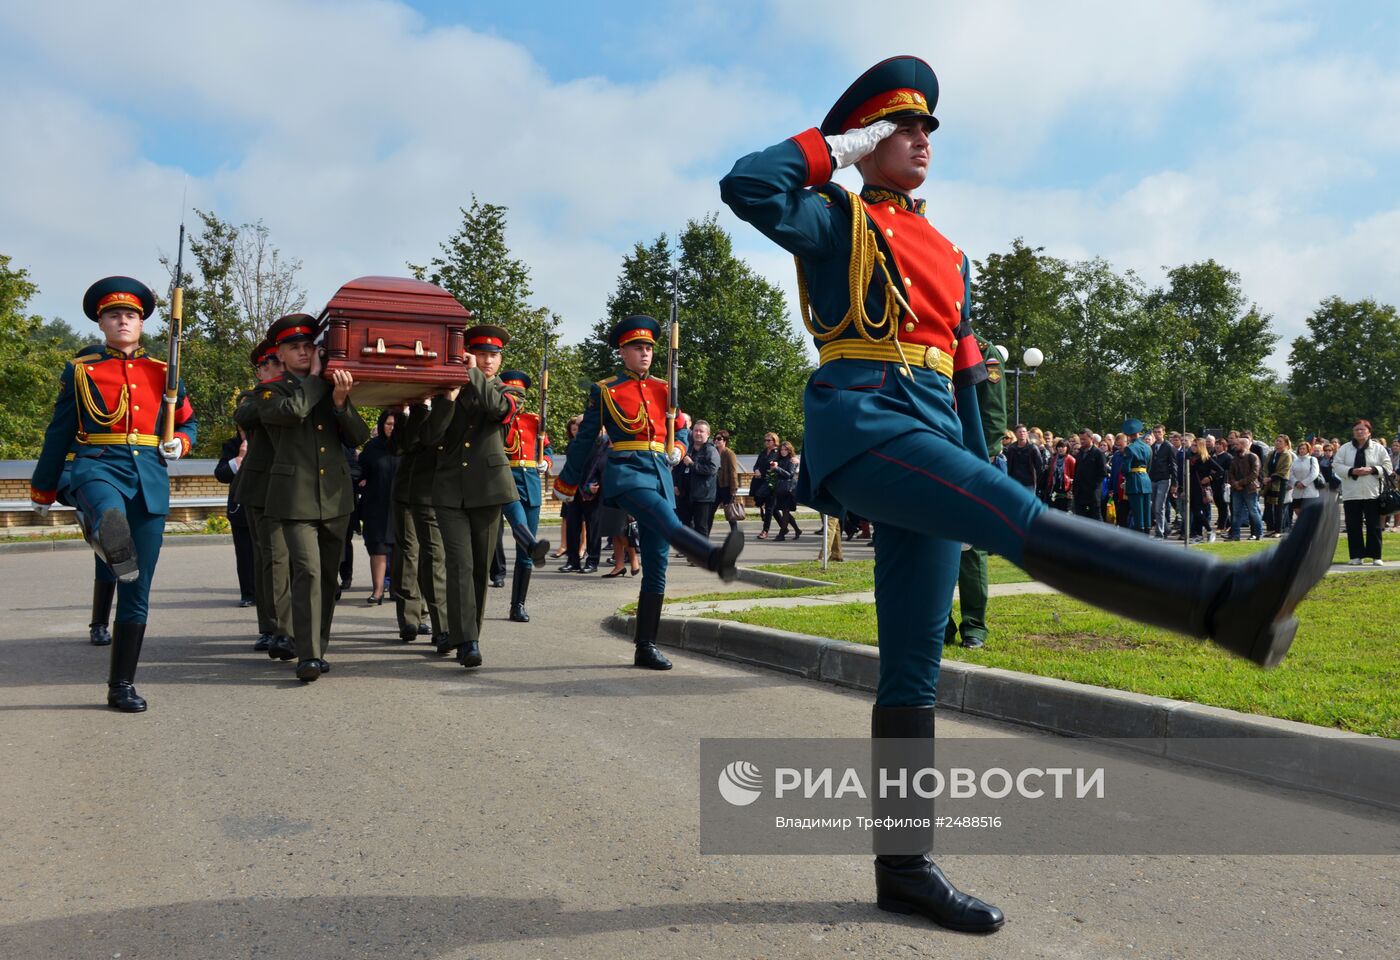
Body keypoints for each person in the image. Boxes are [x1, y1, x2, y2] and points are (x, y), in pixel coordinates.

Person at [720, 53, 1339, 934]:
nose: (921, 139)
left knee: (913, 669)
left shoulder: (949, 251)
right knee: (1027, 523)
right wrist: (839, 147)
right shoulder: (834, 218)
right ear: (864, 137)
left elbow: (965, 376)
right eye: (902, 125)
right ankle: (1223, 600)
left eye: (929, 127)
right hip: (866, 423)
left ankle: (903, 866)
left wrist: (979, 469)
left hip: (931, 432)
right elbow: (746, 185)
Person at [29, 277, 198, 711]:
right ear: (101, 323)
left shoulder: (164, 372)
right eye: (114, 315)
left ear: (141, 324)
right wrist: (44, 486)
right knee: (108, 511)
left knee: (136, 588)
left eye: (131, 315)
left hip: (149, 477)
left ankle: (120, 684)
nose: (123, 320)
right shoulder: (82, 370)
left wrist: (181, 442)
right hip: (98, 464)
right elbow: (59, 431)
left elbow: (187, 423)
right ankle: (107, 530)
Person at [552, 315, 743, 669]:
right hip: (627, 473)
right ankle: (714, 558)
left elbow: (682, 429)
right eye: (638, 347)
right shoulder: (605, 390)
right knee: (668, 520)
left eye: (649, 348)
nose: (645, 353)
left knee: (657, 564)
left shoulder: (664, 389)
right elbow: (584, 441)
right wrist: (567, 481)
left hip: (659, 473)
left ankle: (645, 646)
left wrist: (680, 449)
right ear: (622, 351)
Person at [250, 314, 368, 682]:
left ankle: (318, 646)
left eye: (308, 346)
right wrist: (318, 379)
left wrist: (341, 401)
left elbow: (358, 436)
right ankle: (308, 654)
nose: (303, 352)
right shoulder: (271, 391)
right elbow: (293, 411)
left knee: (328, 579)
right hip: (294, 498)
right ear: (280, 356)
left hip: (335, 498)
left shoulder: (328, 388)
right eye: (294, 348)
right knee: (308, 571)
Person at [419, 325, 523, 667]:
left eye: (493, 355)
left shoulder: (508, 389)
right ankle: (468, 641)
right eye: (480, 354)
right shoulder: (446, 388)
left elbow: (497, 409)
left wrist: (472, 373)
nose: (487, 360)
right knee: (459, 564)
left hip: (489, 489)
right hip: (449, 489)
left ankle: (467, 631)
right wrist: (447, 401)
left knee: (479, 567)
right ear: (468, 353)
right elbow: (430, 436)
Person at [232, 340, 293, 655]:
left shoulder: (299, 390)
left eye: (276, 362)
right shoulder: (254, 398)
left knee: (283, 560)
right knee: (269, 559)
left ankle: (285, 626)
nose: (273, 369)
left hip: (295, 486)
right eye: (267, 365)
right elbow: (247, 415)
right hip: (262, 488)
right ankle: (272, 628)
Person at [498, 369, 553, 622]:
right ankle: (531, 546)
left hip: (530, 483)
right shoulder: (497, 419)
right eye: (511, 393)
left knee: (525, 554)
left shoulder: (534, 421)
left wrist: (546, 463)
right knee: (521, 527)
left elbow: (548, 450)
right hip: (504, 481)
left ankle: (517, 605)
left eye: (520, 395)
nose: (516, 399)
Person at [1332, 419, 1392, 565]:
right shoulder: (1345, 448)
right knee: (1353, 525)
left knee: (1374, 525)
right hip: (1351, 493)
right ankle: (1356, 556)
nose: (1359, 432)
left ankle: (1376, 556)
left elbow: (1388, 467)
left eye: (1362, 429)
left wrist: (1372, 469)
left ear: (1369, 432)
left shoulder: (1378, 448)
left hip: (1372, 493)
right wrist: (1352, 470)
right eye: (1356, 430)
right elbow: (1336, 465)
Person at [357, 410, 400, 604]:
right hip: (376, 504)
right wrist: (360, 480)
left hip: (400, 505)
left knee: (401, 549)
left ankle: (398, 591)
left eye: (395, 424)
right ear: (382, 424)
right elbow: (360, 470)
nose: (392, 428)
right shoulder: (372, 447)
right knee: (378, 547)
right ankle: (378, 590)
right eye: (388, 424)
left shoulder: (407, 446)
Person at [213, 429, 256, 605]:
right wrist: (239, 458)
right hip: (241, 508)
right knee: (245, 553)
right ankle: (248, 594)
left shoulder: (270, 440)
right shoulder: (232, 445)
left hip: (267, 505)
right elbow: (221, 474)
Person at [562, 424, 606, 574]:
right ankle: (572, 561)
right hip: (574, 489)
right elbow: (569, 466)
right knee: (572, 527)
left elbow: (603, 465)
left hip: (593, 490)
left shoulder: (602, 443)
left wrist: (597, 485)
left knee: (593, 528)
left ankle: (592, 561)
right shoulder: (574, 444)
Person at [683, 419, 721, 539]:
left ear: (708, 434)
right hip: (687, 494)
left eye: (701, 431)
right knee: (686, 525)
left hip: (703, 495)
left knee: (701, 527)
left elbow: (712, 469)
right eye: (696, 430)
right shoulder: (688, 448)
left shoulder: (711, 450)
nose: (698, 433)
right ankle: (690, 550)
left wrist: (692, 464)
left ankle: (703, 553)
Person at [1226, 436, 1265, 541]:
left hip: (1250, 489)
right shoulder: (1235, 458)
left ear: (1243, 445)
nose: (1235, 446)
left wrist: (1240, 483)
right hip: (1236, 489)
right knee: (1236, 512)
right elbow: (1231, 473)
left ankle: (1258, 533)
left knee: (1253, 511)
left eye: (1237, 444)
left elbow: (1254, 473)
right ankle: (1235, 535)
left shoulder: (1253, 457)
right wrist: (1235, 484)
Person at [1186, 438, 1223, 542]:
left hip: (1200, 489)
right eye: (1192, 445)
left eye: (1195, 445)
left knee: (1198, 512)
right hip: (1190, 487)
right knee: (1194, 513)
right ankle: (1198, 534)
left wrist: (1210, 478)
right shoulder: (1190, 458)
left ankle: (1210, 530)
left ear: (1201, 447)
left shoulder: (1206, 458)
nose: (1193, 447)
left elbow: (1220, 470)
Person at [1121, 420, 1153, 533]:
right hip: (1146, 480)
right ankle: (1147, 533)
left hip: (1134, 481)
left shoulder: (1129, 448)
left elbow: (1125, 469)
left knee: (1137, 512)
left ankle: (1141, 536)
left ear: (1128, 435)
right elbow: (1149, 466)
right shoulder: (1148, 447)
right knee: (1146, 512)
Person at [1071, 427, 1107, 520]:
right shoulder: (1080, 453)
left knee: (1096, 519)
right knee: (1080, 519)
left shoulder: (1098, 453)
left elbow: (1103, 473)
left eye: (1084, 439)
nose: (1082, 441)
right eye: (1080, 439)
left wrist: (1094, 486)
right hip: (1080, 493)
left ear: (1091, 439)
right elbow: (1077, 471)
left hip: (1092, 494)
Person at [1149, 428, 1178, 539]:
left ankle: (1159, 532)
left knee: (1159, 506)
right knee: (1153, 506)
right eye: (1155, 432)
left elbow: (1174, 465)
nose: (1157, 434)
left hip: (1164, 479)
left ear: (1163, 433)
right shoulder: (1152, 447)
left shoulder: (1169, 447)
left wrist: (1175, 483)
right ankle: (1166, 528)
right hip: (1153, 478)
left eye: (1159, 432)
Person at [1264, 435, 1295, 537]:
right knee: (1268, 505)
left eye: (1280, 441)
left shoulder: (1287, 455)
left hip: (1280, 483)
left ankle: (1278, 530)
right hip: (1269, 483)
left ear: (1286, 444)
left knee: (1278, 507)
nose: (1277, 443)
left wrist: (1271, 478)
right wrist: (1265, 477)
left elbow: (1284, 470)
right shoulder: (1271, 453)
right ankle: (1270, 528)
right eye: (1276, 441)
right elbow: (1265, 467)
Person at [770, 440, 802, 540]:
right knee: (785, 511)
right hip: (781, 489)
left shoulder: (792, 460)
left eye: (785, 450)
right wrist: (773, 467)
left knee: (786, 511)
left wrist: (777, 468)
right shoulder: (780, 459)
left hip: (789, 489)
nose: (783, 451)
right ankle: (797, 530)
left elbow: (790, 474)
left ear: (789, 450)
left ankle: (782, 534)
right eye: (782, 450)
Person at [752, 432, 780, 538]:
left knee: (769, 508)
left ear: (774, 441)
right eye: (765, 440)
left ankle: (765, 531)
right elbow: (756, 465)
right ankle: (788, 528)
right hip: (761, 483)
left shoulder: (777, 452)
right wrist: (756, 470)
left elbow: (784, 462)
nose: (766, 442)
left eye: (769, 440)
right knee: (773, 509)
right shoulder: (763, 452)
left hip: (772, 483)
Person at [714, 429, 743, 533]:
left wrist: (734, 488)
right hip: (715, 486)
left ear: (725, 440)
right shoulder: (714, 452)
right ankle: (705, 532)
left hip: (726, 487)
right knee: (710, 510)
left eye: (719, 439)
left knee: (730, 512)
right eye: (715, 439)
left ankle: (735, 532)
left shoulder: (729, 454)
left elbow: (733, 471)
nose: (716, 441)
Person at [1289, 440, 1321, 528]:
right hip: (1297, 490)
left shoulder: (1312, 459)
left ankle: (1309, 527)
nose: (1301, 450)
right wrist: (1296, 482)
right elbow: (1291, 473)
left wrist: (1304, 483)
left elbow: (1314, 473)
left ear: (1308, 450)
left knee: (1308, 511)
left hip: (1310, 490)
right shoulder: (1295, 461)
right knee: (1297, 510)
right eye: (1300, 449)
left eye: (1304, 449)